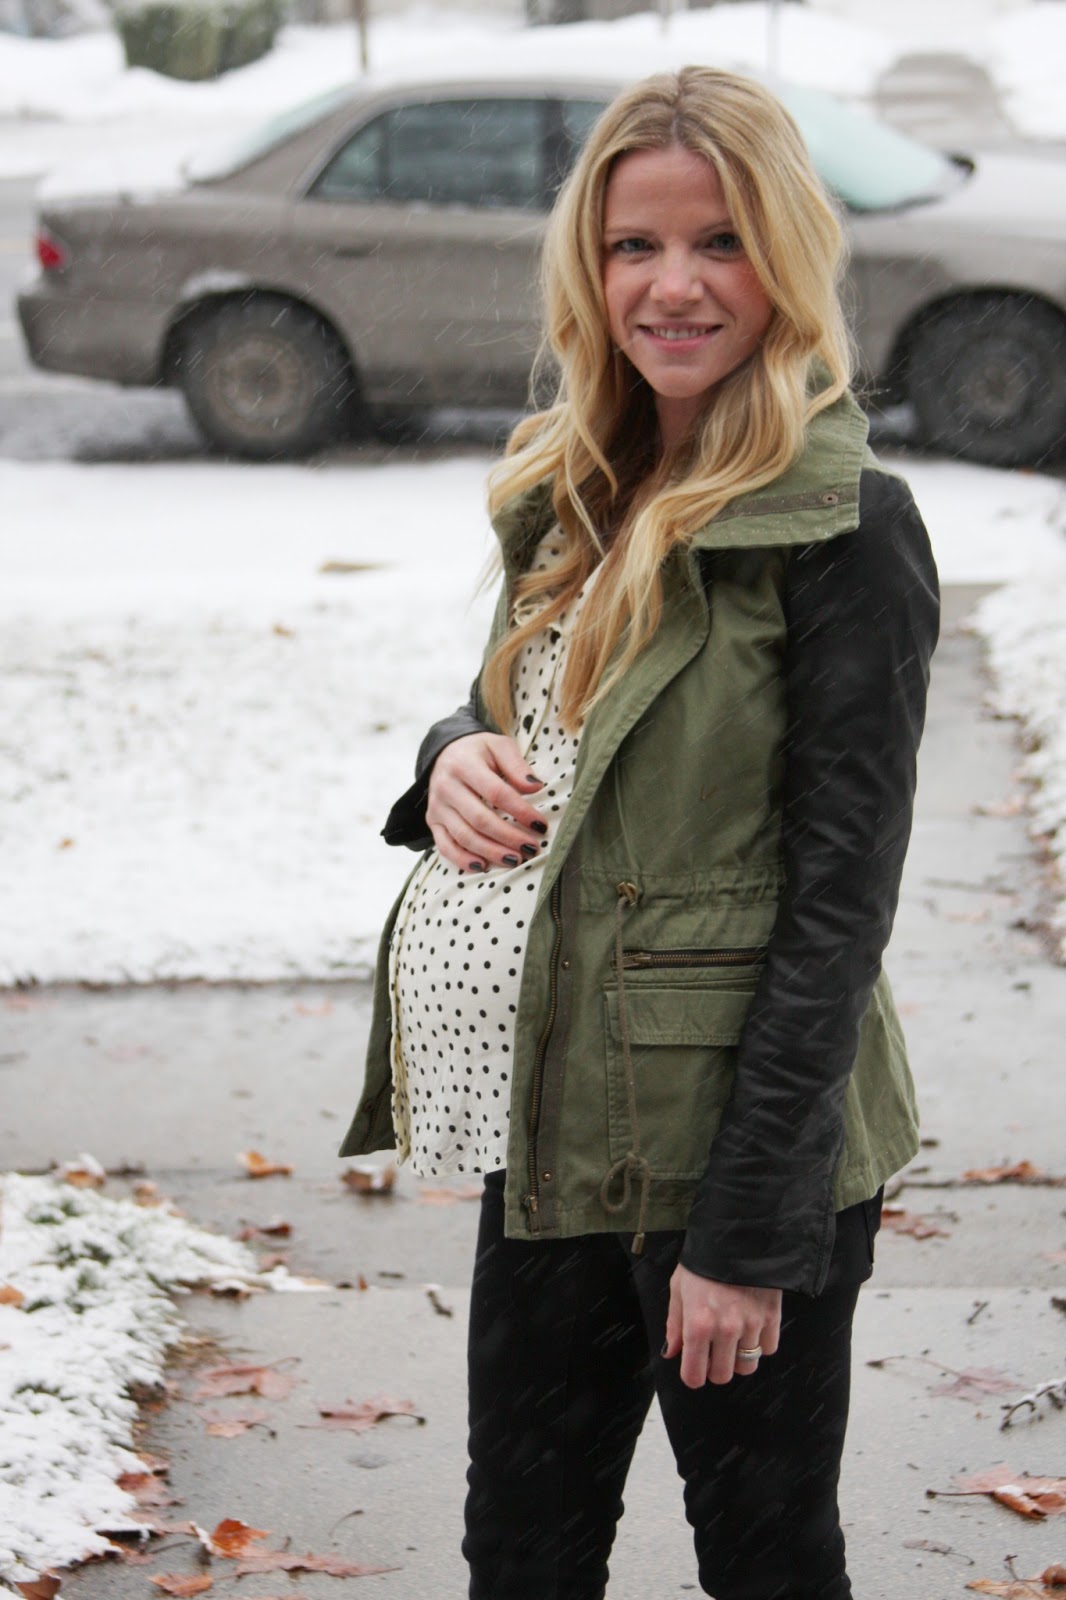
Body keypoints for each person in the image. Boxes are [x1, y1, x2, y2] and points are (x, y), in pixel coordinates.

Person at [339, 65, 939, 1600]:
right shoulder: (576, 489)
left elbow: (838, 907)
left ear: (785, 257)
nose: (672, 285)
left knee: (764, 1561)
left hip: (732, 1158)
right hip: (551, 1126)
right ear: (586, 268)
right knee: (521, 1554)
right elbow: (529, 715)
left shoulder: (843, 527)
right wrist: (449, 756)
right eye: (633, 246)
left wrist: (745, 1237)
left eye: (718, 241)